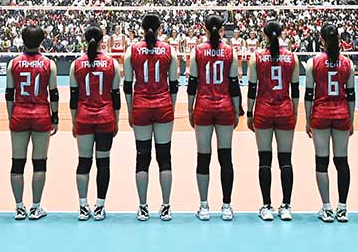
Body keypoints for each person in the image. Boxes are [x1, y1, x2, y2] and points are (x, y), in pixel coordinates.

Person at [124, 13, 178, 221]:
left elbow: (127, 86)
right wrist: (170, 106)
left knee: (142, 157)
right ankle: (165, 206)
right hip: (163, 104)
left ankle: (143, 206)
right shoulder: (169, 50)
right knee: (165, 158)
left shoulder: (132, 51)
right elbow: (174, 85)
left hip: (141, 106)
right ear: (160, 29)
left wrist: (130, 110)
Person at [187, 14, 240, 221]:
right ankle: (226, 206)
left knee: (203, 157)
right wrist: (236, 111)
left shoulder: (198, 51)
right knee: (225, 158)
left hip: (204, 106)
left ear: (205, 30)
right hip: (225, 106)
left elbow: (192, 84)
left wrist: (190, 109)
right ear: (222, 30)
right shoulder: (229, 52)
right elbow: (234, 85)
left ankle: (204, 206)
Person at [248, 20, 299, 221]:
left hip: (263, 110)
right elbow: (295, 90)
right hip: (285, 110)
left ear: (265, 35)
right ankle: (286, 206)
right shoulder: (291, 58)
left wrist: (250, 114)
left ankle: (267, 206)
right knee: (285, 159)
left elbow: (252, 88)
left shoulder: (257, 58)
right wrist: (294, 112)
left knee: (265, 159)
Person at [304, 23, 355, 223]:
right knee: (342, 161)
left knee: (322, 162)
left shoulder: (313, 62)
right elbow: (351, 95)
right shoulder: (347, 63)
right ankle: (342, 208)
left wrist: (308, 119)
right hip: (341, 113)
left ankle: (326, 207)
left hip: (321, 114)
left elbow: (309, 94)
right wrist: (350, 119)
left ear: (322, 40)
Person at [7, 25, 58, 220]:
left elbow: (9, 93)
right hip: (40, 114)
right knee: (39, 163)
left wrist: (12, 114)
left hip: (20, 112)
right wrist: (55, 117)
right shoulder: (48, 64)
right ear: (42, 40)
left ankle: (19, 207)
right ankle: (36, 207)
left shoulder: (14, 63)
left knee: (17, 163)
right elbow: (53, 93)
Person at [70, 25, 121, 221]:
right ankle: (100, 206)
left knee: (83, 163)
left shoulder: (77, 64)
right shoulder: (111, 64)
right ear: (103, 41)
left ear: (84, 39)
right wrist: (115, 120)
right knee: (103, 163)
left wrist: (75, 122)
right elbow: (115, 97)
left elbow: (74, 99)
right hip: (105, 117)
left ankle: (83, 206)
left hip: (84, 117)